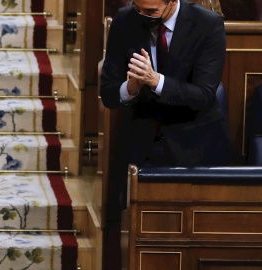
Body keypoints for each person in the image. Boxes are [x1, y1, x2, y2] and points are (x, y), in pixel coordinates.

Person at [99, 0, 231, 268]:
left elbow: (206, 95)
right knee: (136, 239)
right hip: (140, 145)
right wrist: (131, 87)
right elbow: (109, 94)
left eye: (151, 13)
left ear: (172, 2)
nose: (143, 17)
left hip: (195, 148)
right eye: (139, 9)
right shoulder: (124, 20)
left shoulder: (208, 24)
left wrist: (155, 80)